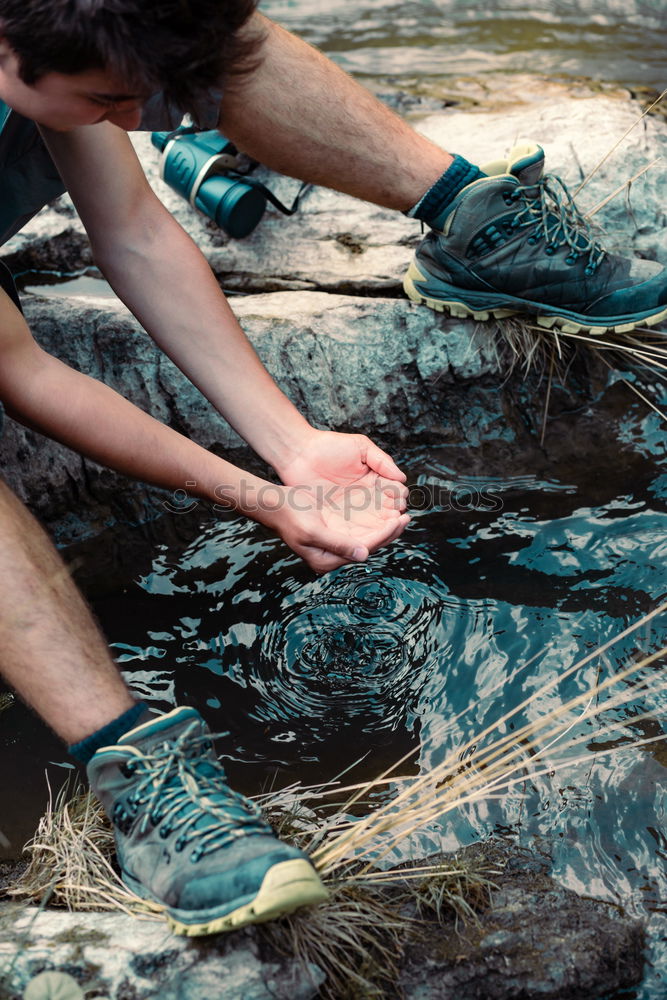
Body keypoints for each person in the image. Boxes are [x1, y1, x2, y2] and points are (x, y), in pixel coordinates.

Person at [0, 0, 664, 939]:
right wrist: (259, 499)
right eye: (107, 100)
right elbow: (22, 370)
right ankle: (133, 764)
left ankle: (469, 220)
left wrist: (292, 444)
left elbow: (137, 233)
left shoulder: (61, 47)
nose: (137, 123)